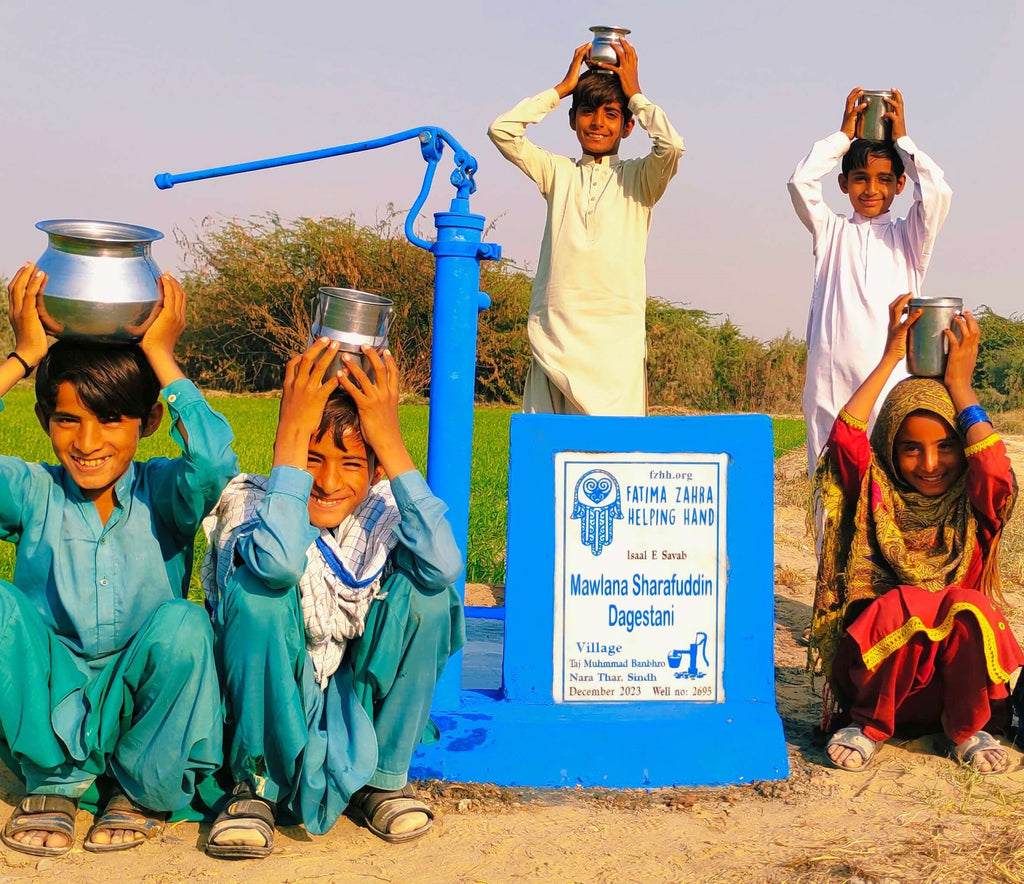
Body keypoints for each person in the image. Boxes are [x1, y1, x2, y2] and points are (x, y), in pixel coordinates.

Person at [0, 263, 237, 857]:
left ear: (149, 421)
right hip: (49, 699)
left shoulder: (165, 492)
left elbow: (213, 461)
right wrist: (25, 355)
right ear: (45, 420)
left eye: (111, 419)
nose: (87, 443)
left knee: (185, 623)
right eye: (68, 419)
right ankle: (55, 782)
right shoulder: (32, 491)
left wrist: (161, 356)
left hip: (141, 702)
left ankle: (138, 789)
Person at [202, 338, 464, 859]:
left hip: (351, 702)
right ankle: (255, 785)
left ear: (375, 471)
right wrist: (290, 437)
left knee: (429, 598)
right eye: (310, 458)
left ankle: (381, 780)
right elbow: (277, 563)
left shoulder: (381, 511)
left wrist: (389, 440)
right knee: (258, 595)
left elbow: (443, 567)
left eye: (350, 463)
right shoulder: (254, 502)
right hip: (273, 702)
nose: (325, 481)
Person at [810, 293, 1022, 773]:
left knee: (966, 607)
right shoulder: (873, 490)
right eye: (911, 449)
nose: (930, 464)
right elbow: (845, 437)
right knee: (903, 602)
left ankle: (967, 731)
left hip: (952, 694)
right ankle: (867, 728)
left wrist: (960, 386)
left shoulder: (974, 505)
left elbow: (995, 471)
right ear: (890, 447)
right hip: (876, 685)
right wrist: (891, 357)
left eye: (946, 447)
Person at [488, 39, 684, 416]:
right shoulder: (557, 172)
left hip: (615, 345)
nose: (597, 123)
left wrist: (636, 95)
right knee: (547, 446)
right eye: (587, 111)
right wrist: (562, 89)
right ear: (572, 118)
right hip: (553, 338)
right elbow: (502, 131)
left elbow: (672, 147)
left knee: (613, 446)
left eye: (611, 114)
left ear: (628, 126)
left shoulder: (640, 179)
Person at [789, 88, 953, 476]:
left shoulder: (910, 237)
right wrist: (842, 137)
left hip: (892, 380)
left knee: (888, 482)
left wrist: (902, 142)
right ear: (843, 183)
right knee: (831, 486)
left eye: (884, 179)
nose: (872, 190)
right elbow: (800, 183)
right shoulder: (831, 232)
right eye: (860, 179)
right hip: (831, 383)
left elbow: (938, 192)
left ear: (900, 185)